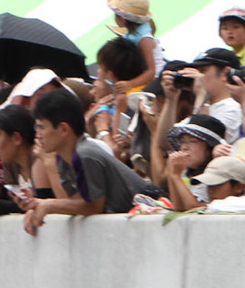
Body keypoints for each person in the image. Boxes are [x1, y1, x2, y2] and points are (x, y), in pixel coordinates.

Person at [21, 87, 156, 235]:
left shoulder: (85, 155)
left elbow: (93, 206)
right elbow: (74, 201)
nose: (38, 135)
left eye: (41, 128)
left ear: (63, 129)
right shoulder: (63, 158)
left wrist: (47, 205)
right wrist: (37, 206)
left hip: (154, 206)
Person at [104, 0, 161, 93]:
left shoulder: (145, 40)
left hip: (153, 81)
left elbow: (151, 71)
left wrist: (130, 84)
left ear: (122, 19)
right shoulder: (132, 33)